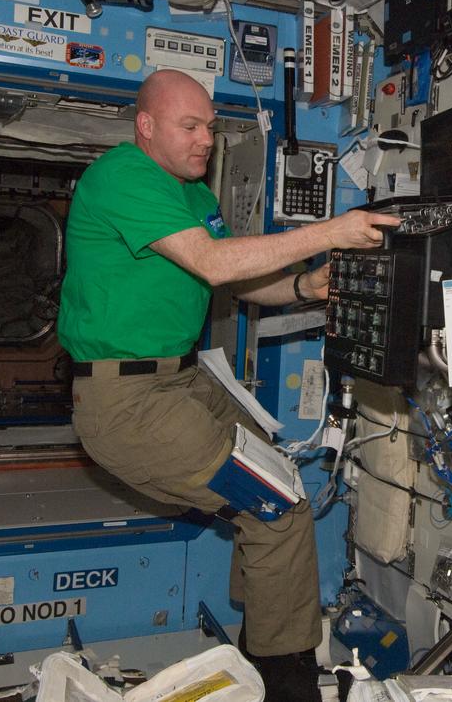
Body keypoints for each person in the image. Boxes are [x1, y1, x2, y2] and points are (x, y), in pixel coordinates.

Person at [57, 69, 400, 701]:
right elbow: (213, 261)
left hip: (181, 381)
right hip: (128, 401)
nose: (205, 141)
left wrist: (306, 287)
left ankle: (259, 640)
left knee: (278, 483)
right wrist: (333, 230)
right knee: (277, 508)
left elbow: (234, 281)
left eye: (210, 127)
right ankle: (286, 679)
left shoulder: (193, 197)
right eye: (189, 127)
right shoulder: (123, 175)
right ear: (145, 126)